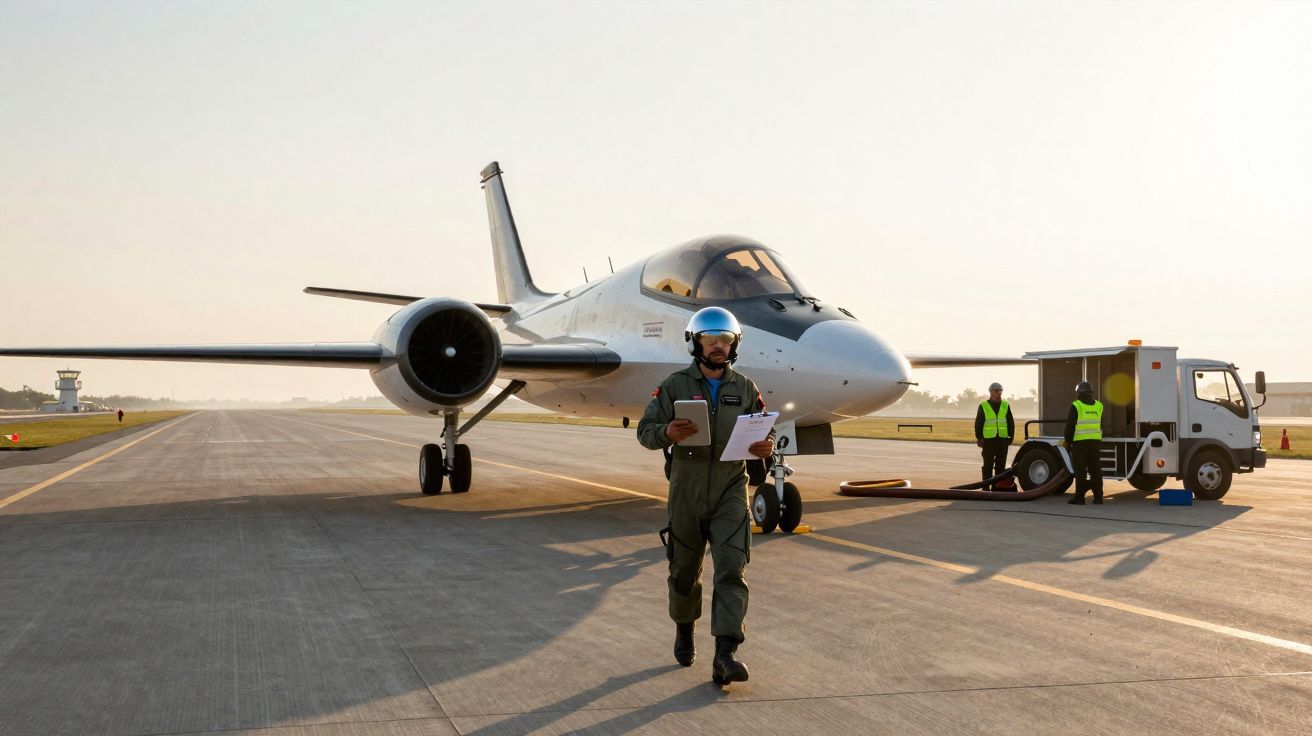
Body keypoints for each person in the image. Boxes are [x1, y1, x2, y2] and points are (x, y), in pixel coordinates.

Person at [637, 306, 774, 686]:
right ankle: (684, 626)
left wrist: (766, 446)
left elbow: (765, 430)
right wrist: (668, 433)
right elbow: (645, 432)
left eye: (724, 340)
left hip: (732, 489)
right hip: (687, 491)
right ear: (695, 343)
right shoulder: (674, 386)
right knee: (684, 572)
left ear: (734, 345)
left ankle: (726, 654)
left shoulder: (746, 388)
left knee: (733, 568)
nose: (717, 346)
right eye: (709, 339)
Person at [1064, 381, 1105, 504]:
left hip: (1080, 444)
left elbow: (1070, 425)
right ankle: (1098, 498)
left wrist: (1068, 441)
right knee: (1096, 470)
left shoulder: (1076, 405)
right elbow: (1101, 424)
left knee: (1080, 471)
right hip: (1095, 443)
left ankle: (1079, 498)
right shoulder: (1099, 406)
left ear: (1079, 393)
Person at [974, 382, 1014, 490]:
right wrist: (979, 437)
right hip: (988, 440)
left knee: (1000, 466)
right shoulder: (983, 406)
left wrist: (1010, 437)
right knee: (988, 465)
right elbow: (979, 423)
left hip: (1002, 440)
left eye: (1000, 391)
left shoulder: (1005, 405)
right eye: (996, 391)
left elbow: (1010, 422)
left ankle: (997, 487)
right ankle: (985, 487)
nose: (998, 393)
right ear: (991, 392)